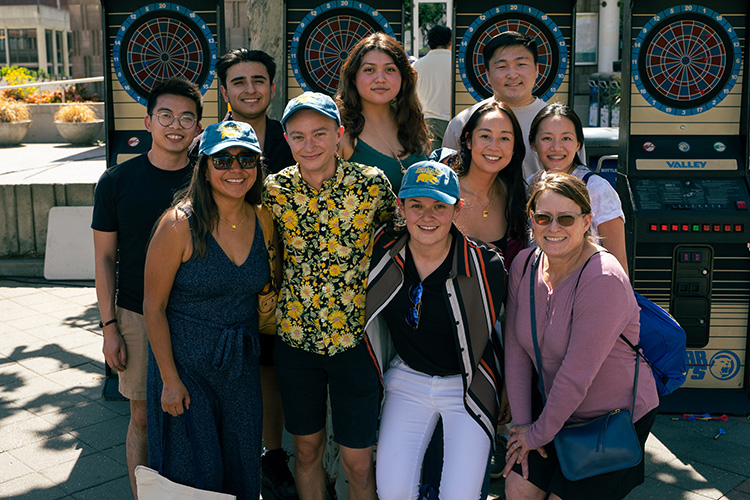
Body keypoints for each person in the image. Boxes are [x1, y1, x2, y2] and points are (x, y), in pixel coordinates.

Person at [263, 91, 395, 500]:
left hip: (355, 344)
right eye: (298, 136)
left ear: (338, 134)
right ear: (286, 139)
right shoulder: (273, 190)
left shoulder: (371, 185)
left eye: (320, 133)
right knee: (305, 451)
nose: (310, 145)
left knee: (358, 461)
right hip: (296, 342)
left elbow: (406, 237)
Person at [502, 173, 659, 500]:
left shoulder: (604, 278)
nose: (553, 227)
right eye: (543, 217)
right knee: (518, 490)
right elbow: (516, 349)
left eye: (567, 218)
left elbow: (576, 374)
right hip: (553, 410)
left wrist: (536, 435)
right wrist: (522, 427)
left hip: (610, 420)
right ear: (532, 218)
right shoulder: (524, 264)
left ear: (587, 220)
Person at [144, 121, 277, 499]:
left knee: (242, 465)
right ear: (203, 167)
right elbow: (153, 307)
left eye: (246, 158)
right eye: (222, 160)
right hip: (186, 369)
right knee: (193, 474)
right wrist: (169, 381)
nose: (235, 169)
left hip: (240, 369)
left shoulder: (263, 219)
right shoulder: (179, 224)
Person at [363, 161, 508, 500]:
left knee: (461, 495)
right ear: (401, 207)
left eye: (439, 206)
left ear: (457, 209)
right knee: (394, 492)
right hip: (408, 378)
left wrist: (510, 393)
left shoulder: (486, 265)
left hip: (467, 386)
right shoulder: (383, 249)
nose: (427, 216)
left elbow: (510, 334)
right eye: (417, 205)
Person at [92, 77, 202, 499]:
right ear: (148, 121)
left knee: (195, 412)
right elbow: (104, 259)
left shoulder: (208, 179)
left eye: (186, 117)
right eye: (166, 115)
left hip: (196, 315)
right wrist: (108, 327)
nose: (176, 125)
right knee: (141, 415)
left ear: (197, 126)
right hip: (136, 313)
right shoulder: (117, 181)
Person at [212, 46, 298, 500]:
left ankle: (272, 453)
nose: (250, 89)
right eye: (239, 82)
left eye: (259, 80)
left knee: (272, 368)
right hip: (225, 275)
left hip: (285, 276)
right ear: (225, 90)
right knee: (230, 367)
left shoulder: (295, 138)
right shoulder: (208, 144)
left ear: (271, 86)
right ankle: (231, 454)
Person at [528, 103, 627, 274]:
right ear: (533, 144)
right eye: (547, 138)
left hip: (590, 289)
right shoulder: (533, 184)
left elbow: (619, 262)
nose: (556, 147)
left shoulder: (596, 188)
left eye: (566, 138)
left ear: (578, 144)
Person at [442, 31, 548, 180]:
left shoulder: (560, 123)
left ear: (537, 69)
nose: (512, 74)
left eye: (521, 64)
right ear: (487, 75)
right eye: (502, 66)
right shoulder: (463, 123)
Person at [336, 32, 430, 190]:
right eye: (369, 70)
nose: (380, 79)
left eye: (390, 70)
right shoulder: (341, 133)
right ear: (353, 77)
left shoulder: (412, 123)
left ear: (403, 76)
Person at [453, 99, 529, 266]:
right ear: (468, 140)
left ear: (514, 146)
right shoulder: (446, 193)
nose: (494, 147)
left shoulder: (511, 194)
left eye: (504, 138)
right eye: (485, 136)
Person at [413, 25, 453, 152]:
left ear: (429, 43)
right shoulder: (455, 64)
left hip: (427, 123)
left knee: (431, 166)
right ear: (450, 42)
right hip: (452, 121)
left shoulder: (418, 65)